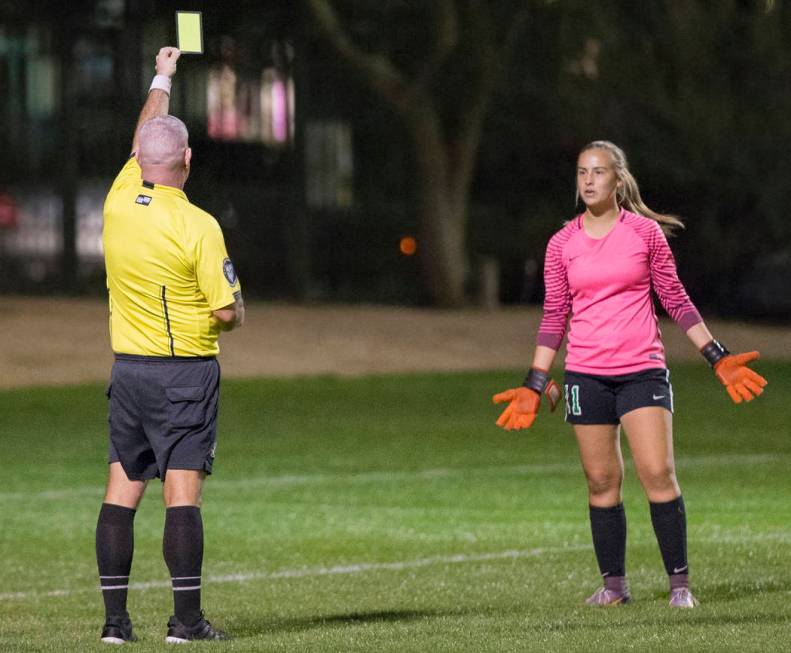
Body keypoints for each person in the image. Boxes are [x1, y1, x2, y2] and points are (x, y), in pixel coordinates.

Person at [492, 140, 767, 608]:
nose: (589, 180)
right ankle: (614, 587)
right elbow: (555, 314)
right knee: (601, 481)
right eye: (582, 172)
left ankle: (679, 585)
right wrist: (536, 381)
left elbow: (675, 299)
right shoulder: (562, 243)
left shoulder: (644, 234)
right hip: (585, 376)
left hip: (641, 370)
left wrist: (716, 355)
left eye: (598, 172)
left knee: (657, 472)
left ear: (618, 180)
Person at [96, 46, 244, 644]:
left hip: (127, 372)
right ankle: (185, 623)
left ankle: (114, 624)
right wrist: (236, 310)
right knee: (182, 495)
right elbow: (226, 312)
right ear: (187, 159)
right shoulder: (198, 224)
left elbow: (143, 136)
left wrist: (163, 77)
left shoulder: (117, 200)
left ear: (138, 160)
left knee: (120, 491)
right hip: (183, 373)